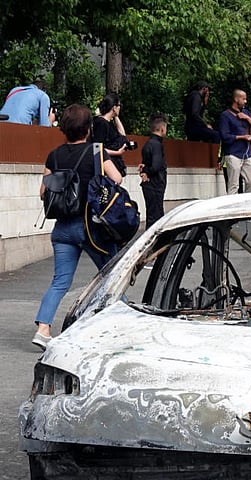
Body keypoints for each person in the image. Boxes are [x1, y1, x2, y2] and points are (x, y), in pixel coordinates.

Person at [32, 105, 123, 350]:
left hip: (62, 230)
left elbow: (43, 191)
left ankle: (43, 329)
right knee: (114, 275)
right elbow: (117, 178)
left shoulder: (55, 155)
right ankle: (125, 326)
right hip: (91, 228)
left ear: (64, 129)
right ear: (88, 128)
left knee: (60, 281)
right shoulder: (97, 152)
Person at [217, 89, 251, 196]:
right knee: (233, 185)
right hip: (233, 154)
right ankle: (233, 209)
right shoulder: (225, 116)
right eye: (243, 99)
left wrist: (247, 117)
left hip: (247, 153)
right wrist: (242, 137)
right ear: (236, 99)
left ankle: (247, 205)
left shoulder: (245, 112)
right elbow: (224, 136)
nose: (245, 101)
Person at [138, 112, 168, 229]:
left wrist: (144, 170)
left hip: (150, 184)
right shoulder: (156, 145)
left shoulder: (148, 144)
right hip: (155, 185)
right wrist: (146, 170)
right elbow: (156, 166)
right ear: (162, 128)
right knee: (156, 217)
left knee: (152, 215)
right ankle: (155, 245)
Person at [92, 93, 130, 176]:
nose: (120, 108)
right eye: (119, 105)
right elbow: (98, 148)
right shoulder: (101, 123)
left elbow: (123, 135)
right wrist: (117, 152)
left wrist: (116, 116)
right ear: (114, 107)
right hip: (105, 166)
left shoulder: (109, 124)